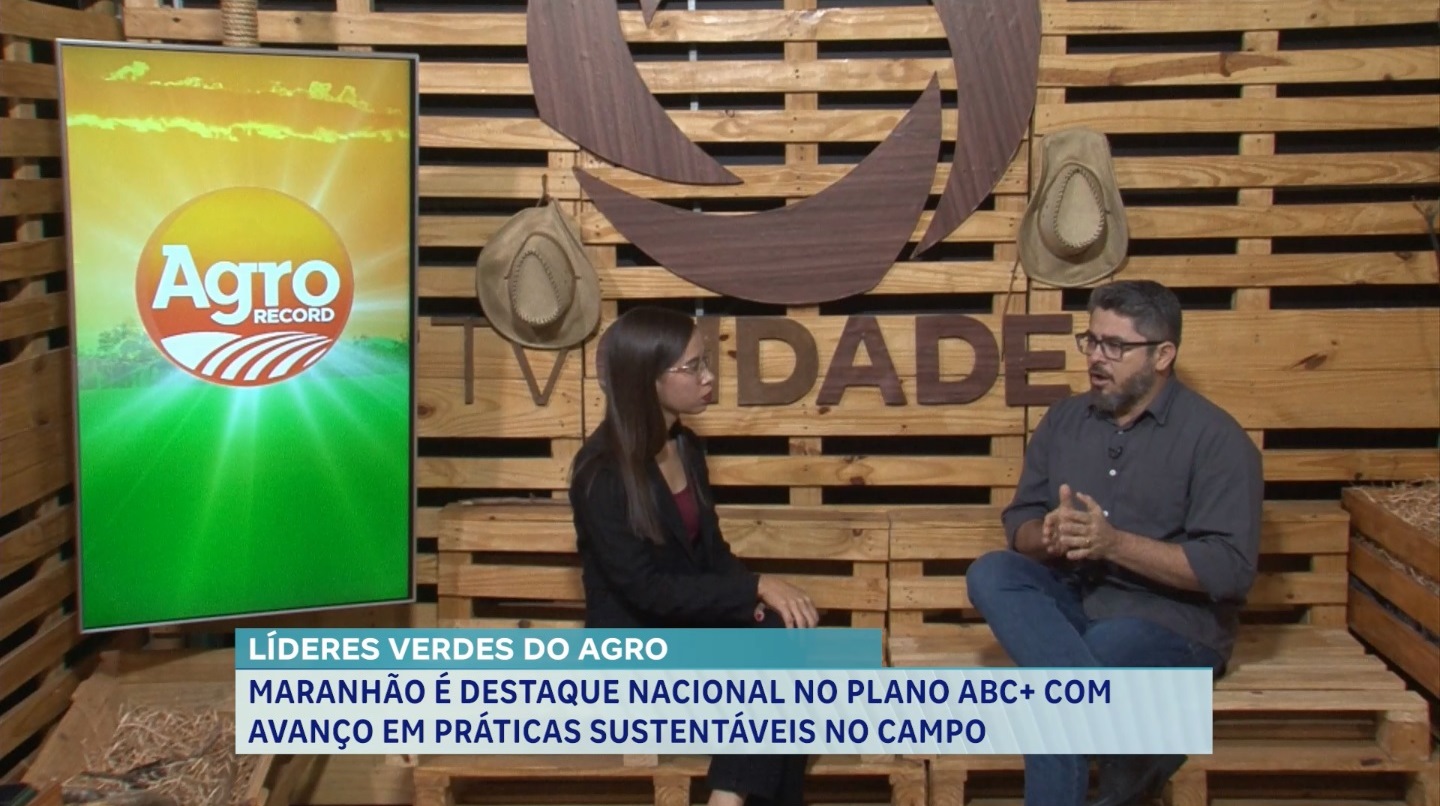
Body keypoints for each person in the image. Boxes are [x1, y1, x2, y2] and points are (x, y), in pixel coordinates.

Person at [966, 280, 1263, 806]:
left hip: (1171, 624)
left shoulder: (1217, 440)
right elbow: (1021, 523)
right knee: (992, 573)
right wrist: (1048, 534)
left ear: (1163, 355)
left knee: (1065, 684)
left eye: (1115, 346)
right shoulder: (1064, 420)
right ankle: (1127, 754)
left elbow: (1229, 569)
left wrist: (1113, 544)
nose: (1096, 358)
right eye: (1091, 341)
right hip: (1076, 607)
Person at [569, 305, 818, 806]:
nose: (708, 377)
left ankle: (727, 792)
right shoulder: (600, 474)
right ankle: (727, 796)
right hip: (635, 657)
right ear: (649, 380)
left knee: (786, 642)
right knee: (785, 689)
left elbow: (713, 555)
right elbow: (647, 591)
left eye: (706, 362)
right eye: (694, 366)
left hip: (692, 638)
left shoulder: (686, 448)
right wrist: (754, 589)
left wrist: (757, 599)